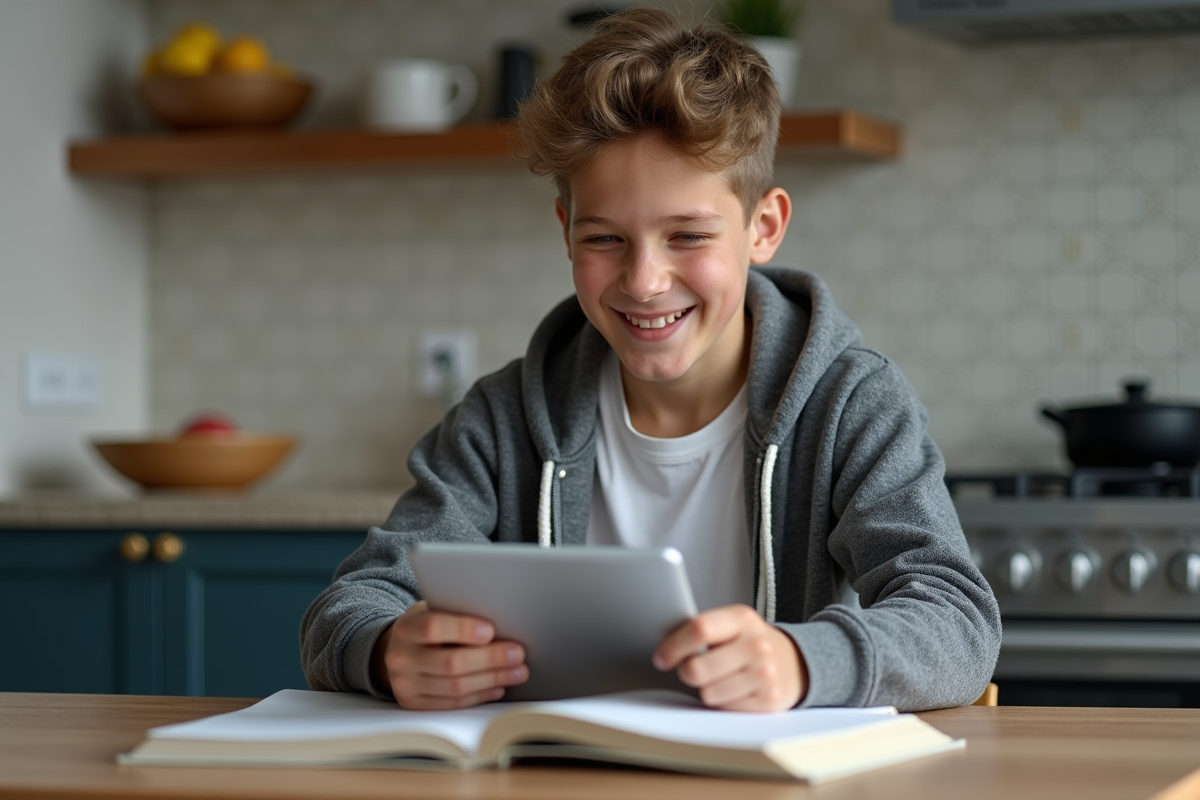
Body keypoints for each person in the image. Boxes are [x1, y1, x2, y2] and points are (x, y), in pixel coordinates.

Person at [300, 7, 1001, 713]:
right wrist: (388, 651)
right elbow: (352, 603)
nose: (644, 281)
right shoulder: (502, 417)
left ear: (764, 228)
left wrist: (800, 660)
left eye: (688, 237)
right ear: (565, 232)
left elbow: (957, 622)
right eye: (605, 239)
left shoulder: (852, 402)